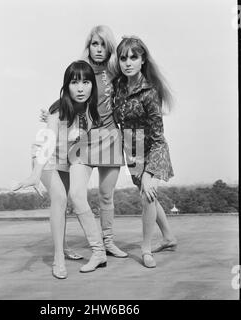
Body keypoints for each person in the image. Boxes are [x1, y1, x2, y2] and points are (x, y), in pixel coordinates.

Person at [40, 25, 128, 259]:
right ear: (88, 45)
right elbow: (70, 94)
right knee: (75, 194)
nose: (99, 49)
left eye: (103, 45)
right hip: (86, 139)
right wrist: (54, 111)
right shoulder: (83, 70)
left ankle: (108, 242)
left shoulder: (115, 72)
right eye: (94, 44)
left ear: (110, 48)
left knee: (106, 195)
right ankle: (94, 245)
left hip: (110, 137)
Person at [14, 60, 104, 278]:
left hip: (68, 160)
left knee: (71, 199)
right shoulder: (58, 109)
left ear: (93, 84)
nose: (80, 88)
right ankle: (58, 257)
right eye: (74, 83)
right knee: (60, 199)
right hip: (46, 159)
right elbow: (49, 140)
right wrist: (36, 173)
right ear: (66, 86)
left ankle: (70, 248)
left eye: (85, 82)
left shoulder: (92, 113)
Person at [112, 36, 177, 268]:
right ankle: (169, 238)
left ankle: (146, 248)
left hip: (152, 149)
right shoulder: (118, 86)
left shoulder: (150, 92)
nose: (128, 62)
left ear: (142, 60)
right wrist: (57, 112)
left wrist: (150, 171)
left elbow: (159, 137)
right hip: (132, 149)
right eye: (123, 58)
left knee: (147, 194)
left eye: (133, 57)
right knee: (148, 194)